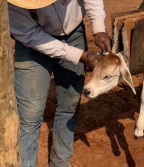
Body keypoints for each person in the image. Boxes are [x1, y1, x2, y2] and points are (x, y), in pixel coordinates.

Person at [8, 0, 111, 166]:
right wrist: (79, 56)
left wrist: (99, 28)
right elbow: (30, 35)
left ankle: (60, 163)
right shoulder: (14, 3)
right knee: (29, 115)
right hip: (31, 42)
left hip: (74, 33)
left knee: (70, 105)